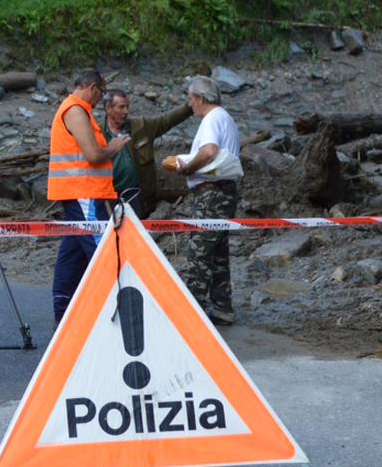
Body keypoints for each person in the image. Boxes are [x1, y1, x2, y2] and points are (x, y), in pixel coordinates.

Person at [49, 69, 130, 323]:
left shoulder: (78, 110)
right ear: (92, 87)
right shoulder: (75, 110)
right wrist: (114, 147)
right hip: (83, 194)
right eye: (102, 93)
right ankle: (121, 314)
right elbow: (94, 155)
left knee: (71, 260)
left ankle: (63, 319)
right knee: (104, 255)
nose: (101, 99)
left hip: (79, 194)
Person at [163, 76, 243, 326]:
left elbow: (209, 152)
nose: (190, 105)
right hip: (225, 190)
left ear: (199, 98)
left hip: (211, 191)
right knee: (218, 251)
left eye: (191, 99)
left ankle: (192, 311)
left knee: (198, 251)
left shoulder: (211, 119)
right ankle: (222, 307)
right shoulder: (225, 117)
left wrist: (187, 167)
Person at [101, 89, 192, 218]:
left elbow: (165, 121)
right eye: (121, 107)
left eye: (127, 106)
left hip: (137, 196)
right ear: (108, 109)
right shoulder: (97, 133)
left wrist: (189, 106)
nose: (126, 111)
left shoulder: (140, 127)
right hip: (108, 198)